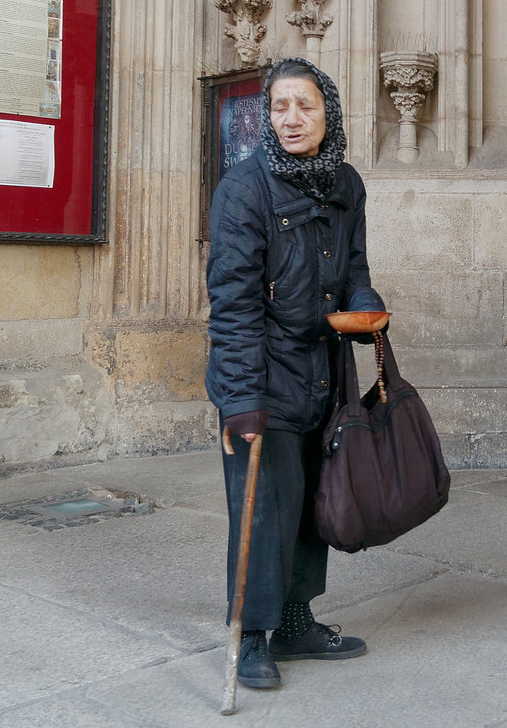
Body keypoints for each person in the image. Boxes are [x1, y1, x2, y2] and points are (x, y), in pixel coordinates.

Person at [205, 56, 384, 690]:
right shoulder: (244, 190)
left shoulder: (346, 185)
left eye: (304, 105)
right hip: (263, 374)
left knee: (312, 503)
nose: (291, 119)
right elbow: (231, 305)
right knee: (262, 509)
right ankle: (251, 635)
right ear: (266, 115)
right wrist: (240, 400)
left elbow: (355, 267)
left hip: (323, 371)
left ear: (327, 112)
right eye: (279, 107)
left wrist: (364, 304)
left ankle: (295, 621)